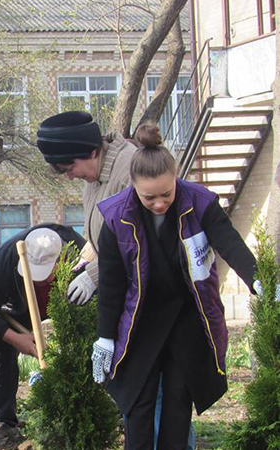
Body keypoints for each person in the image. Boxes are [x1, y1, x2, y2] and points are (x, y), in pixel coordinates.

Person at [91, 124, 257, 449]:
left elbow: (229, 243)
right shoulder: (115, 218)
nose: (159, 203)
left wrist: (258, 279)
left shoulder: (200, 202)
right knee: (137, 406)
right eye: (148, 197)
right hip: (139, 323)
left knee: (178, 405)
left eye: (166, 194)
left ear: (176, 179)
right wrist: (105, 337)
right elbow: (111, 285)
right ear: (133, 188)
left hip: (187, 321)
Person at [0, 225, 85, 447]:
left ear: (62, 261)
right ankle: (3, 423)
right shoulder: (4, 262)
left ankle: (86, 411)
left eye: (45, 273)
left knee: (86, 346)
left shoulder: (79, 254)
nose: (39, 279)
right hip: (17, 310)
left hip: (69, 300)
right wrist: (14, 337)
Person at [36, 111, 138, 306]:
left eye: (70, 168)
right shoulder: (94, 177)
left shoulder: (129, 173)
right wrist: (85, 260)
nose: (71, 177)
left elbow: (134, 245)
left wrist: (93, 276)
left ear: (92, 151)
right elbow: (104, 235)